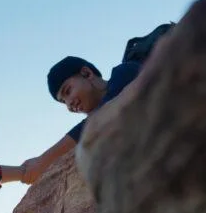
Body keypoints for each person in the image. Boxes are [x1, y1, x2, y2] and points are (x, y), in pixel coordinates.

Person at [21, 23, 174, 184]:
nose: (69, 105)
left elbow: (101, 116)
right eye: (63, 101)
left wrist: (42, 161)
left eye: (67, 91)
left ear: (86, 73)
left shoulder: (124, 72)